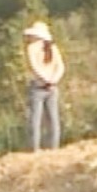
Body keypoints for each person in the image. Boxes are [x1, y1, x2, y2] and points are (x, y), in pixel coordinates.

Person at [23, 22, 65, 153]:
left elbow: (34, 67)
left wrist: (44, 79)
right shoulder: (53, 47)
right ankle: (54, 147)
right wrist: (53, 80)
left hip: (38, 86)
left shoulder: (31, 48)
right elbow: (61, 67)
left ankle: (35, 149)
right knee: (53, 119)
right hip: (53, 86)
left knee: (35, 119)